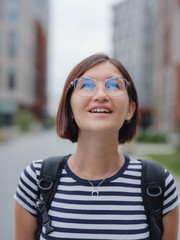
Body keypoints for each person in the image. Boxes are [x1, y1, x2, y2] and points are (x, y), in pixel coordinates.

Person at [14, 53, 179, 240]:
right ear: (70, 108)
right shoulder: (35, 180)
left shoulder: (159, 184)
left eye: (114, 85)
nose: (101, 95)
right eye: (86, 85)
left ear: (130, 110)